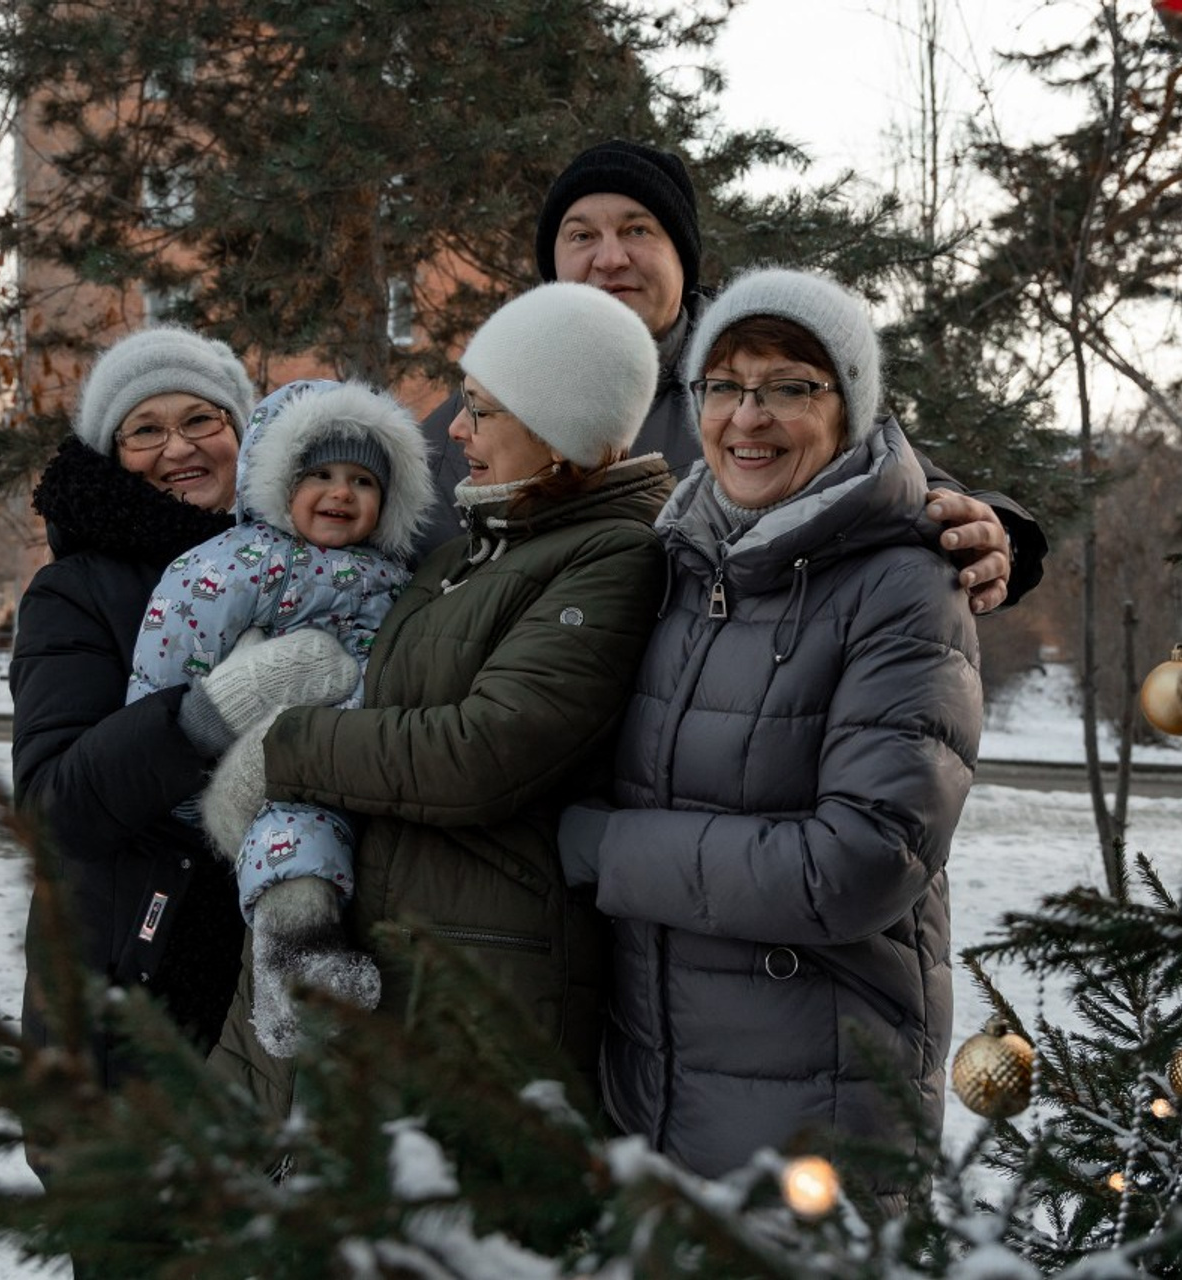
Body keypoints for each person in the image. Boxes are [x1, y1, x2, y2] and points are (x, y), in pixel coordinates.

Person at [557, 268, 982, 1210]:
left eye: (791, 386)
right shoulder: (672, 559)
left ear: (851, 409)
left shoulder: (906, 588)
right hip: (653, 1087)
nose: (748, 417)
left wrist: (603, 848)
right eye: (724, 385)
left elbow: (862, 861)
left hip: (817, 1106)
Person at [202, 282, 677, 1118]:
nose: (455, 431)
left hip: (475, 989)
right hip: (387, 959)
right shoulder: (467, 552)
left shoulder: (610, 558)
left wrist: (287, 748)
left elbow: (482, 751)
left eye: (480, 410)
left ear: (558, 431)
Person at [419, 138, 1046, 614]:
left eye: (638, 230)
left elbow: (908, 487)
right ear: (553, 260)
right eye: (581, 235)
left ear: (681, 256)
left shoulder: (765, 384)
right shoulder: (483, 408)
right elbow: (371, 528)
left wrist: (998, 535)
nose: (609, 259)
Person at [10, 327, 359, 1119]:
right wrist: (205, 715)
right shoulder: (76, 591)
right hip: (135, 996)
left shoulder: (314, 560)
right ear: (113, 450)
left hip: (284, 982)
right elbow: (53, 804)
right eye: (145, 429)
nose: (179, 448)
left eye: (202, 420)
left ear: (242, 433)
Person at [127, 378, 437, 1057]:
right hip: (270, 765)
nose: (341, 493)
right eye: (319, 474)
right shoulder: (236, 563)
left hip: (363, 758)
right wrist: (176, 764)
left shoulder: (398, 573)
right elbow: (172, 655)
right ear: (275, 479)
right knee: (294, 843)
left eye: (363, 480)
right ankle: (293, 977)